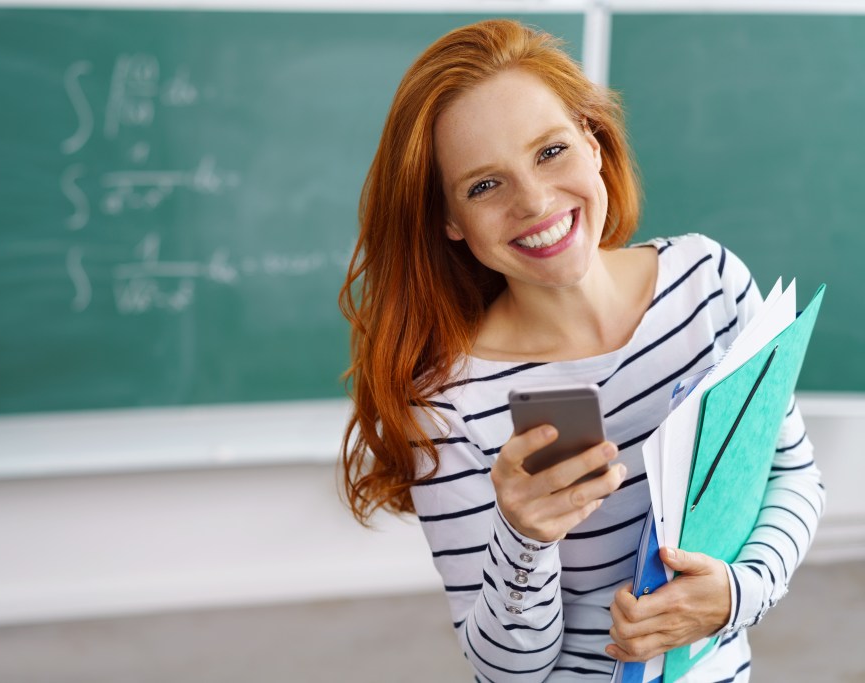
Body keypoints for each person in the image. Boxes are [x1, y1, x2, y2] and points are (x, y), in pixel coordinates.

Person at [338, 19, 824, 682]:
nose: (535, 202)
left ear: (593, 143)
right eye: (485, 185)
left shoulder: (707, 284)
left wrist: (739, 595)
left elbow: (791, 476)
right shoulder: (448, 402)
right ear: (449, 220)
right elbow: (509, 673)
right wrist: (524, 536)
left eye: (550, 151)